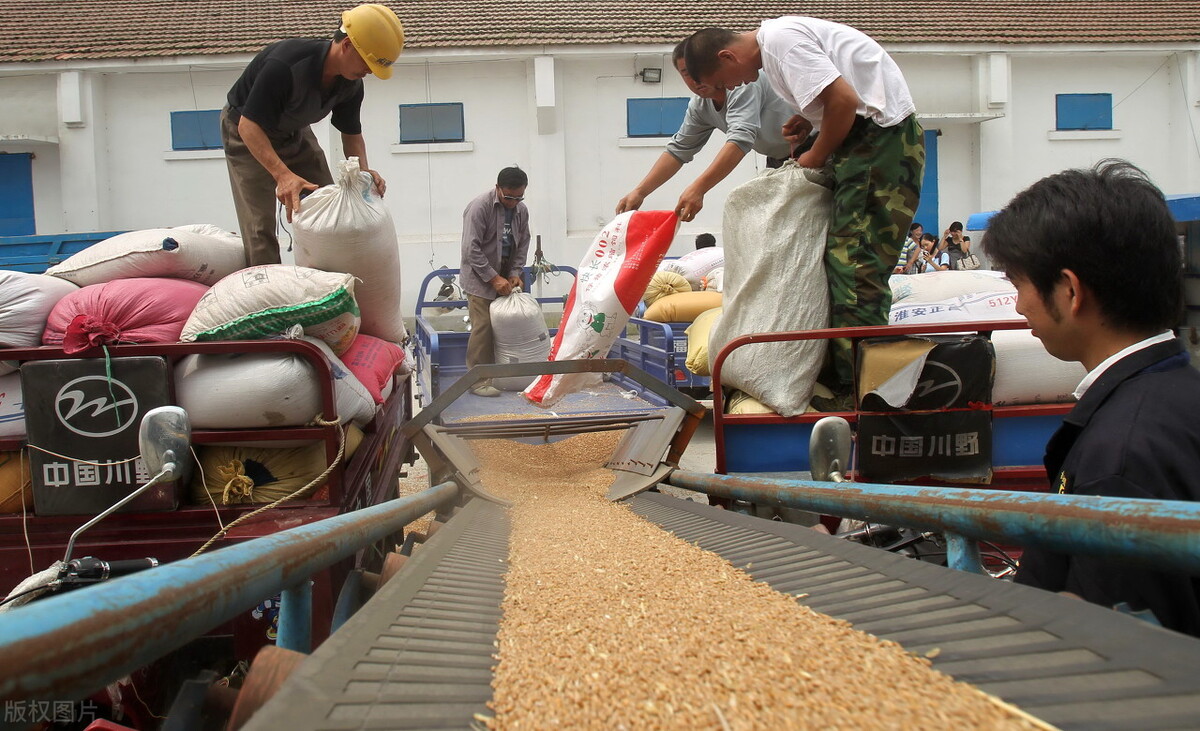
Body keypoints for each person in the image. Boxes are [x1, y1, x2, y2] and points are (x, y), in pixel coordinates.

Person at [986, 159, 1200, 636]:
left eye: (1019, 284)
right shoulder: (1175, 396)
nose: (1018, 305)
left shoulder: (1120, 458)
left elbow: (1111, 650)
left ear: (1068, 291)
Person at [684, 20, 924, 399]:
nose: (732, 89)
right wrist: (808, 119)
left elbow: (844, 102)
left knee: (855, 267)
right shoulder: (777, 49)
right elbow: (838, 96)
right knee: (840, 261)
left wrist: (816, 153)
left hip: (878, 144)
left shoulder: (780, 43)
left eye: (723, 82)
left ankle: (865, 392)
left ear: (727, 56)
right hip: (870, 142)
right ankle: (850, 375)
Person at [221, 4, 404, 266]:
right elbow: (248, 127)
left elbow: (351, 132)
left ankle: (328, 291)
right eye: (369, 62)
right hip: (245, 132)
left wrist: (364, 173)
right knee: (260, 228)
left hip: (292, 131)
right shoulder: (285, 65)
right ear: (348, 45)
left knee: (332, 207)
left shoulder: (351, 83)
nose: (370, 71)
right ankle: (270, 296)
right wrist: (282, 175)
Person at [615, 41, 795, 221]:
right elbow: (678, 150)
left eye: (699, 69)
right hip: (780, 161)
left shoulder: (743, 83)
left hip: (814, 146)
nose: (695, 78)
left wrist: (699, 188)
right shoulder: (700, 106)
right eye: (686, 72)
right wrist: (640, 192)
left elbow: (740, 139)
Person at [459, 167, 532, 397]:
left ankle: (512, 374)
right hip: (480, 279)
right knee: (484, 327)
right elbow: (471, 249)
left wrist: (515, 271)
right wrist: (493, 278)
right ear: (498, 188)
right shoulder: (479, 207)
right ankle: (479, 381)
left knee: (513, 325)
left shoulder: (521, 210)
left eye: (519, 197)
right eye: (508, 197)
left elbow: (523, 244)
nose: (513, 202)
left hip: (507, 278)